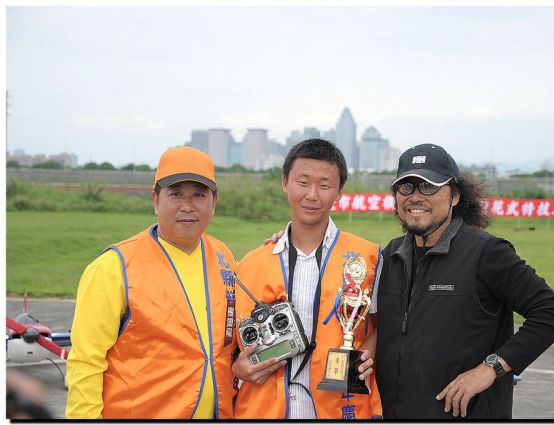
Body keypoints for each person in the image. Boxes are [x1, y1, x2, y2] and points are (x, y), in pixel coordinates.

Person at [375, 143, 554, 419]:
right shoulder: (391, 254)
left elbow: (551, 313)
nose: (415, 197)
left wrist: (491, 368)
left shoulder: (487, 253)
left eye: (428, 187)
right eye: (406, 187)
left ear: (455, 196)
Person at [65, 147, 237, 419]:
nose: (187, 206)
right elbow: (85, 360)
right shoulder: (114, 267)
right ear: (155, 200)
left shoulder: (224, 258)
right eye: (176, 194)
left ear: (214, 202)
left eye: (199, 195)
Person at [231, 139, 383, 419]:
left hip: (340, 409)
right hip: (263, 411)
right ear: (285, 183)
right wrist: (237, 369)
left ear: (339, 191)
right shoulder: (249, 265)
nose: (312, 195)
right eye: (303, 182)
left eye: (325, 185)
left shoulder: (367, 258)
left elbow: (387, 324)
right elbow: (227, 348)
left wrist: (366, 354)